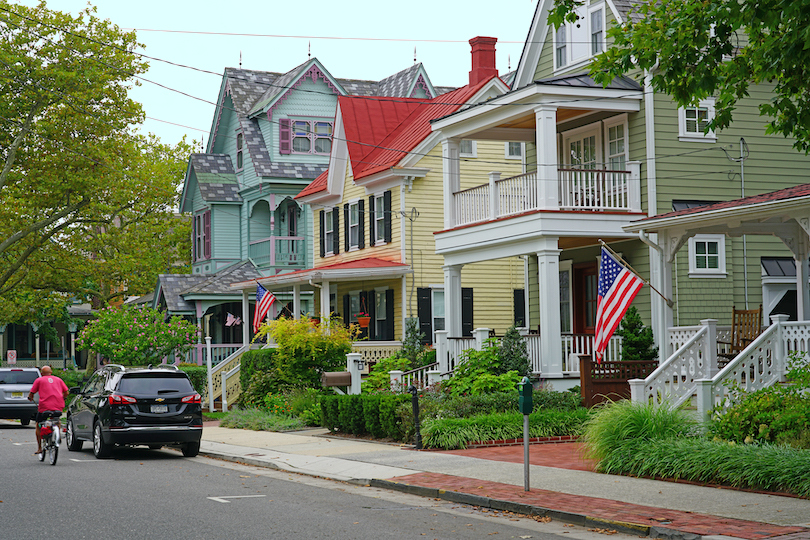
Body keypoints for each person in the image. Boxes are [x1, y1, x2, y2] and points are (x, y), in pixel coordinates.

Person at [27, 366, 69, 456]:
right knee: (56, 419)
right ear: (51, 372)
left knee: (38, 424)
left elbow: (32, 393)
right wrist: (63, 398)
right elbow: (66, 392)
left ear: (41, 373)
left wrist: (30, 398)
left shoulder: (39, 380)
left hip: (44, 407)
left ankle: (39, 448)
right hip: (58, 405)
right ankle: (57, 433)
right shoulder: (59, 379)